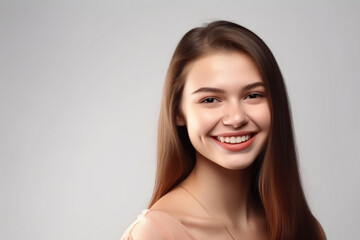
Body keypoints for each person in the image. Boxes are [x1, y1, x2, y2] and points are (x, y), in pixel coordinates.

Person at [121, 20, 326, 240]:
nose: (236, 118)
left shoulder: (304, 227)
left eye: (253, 95)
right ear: (178, 113)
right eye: (210, 99)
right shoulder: (153, 235)